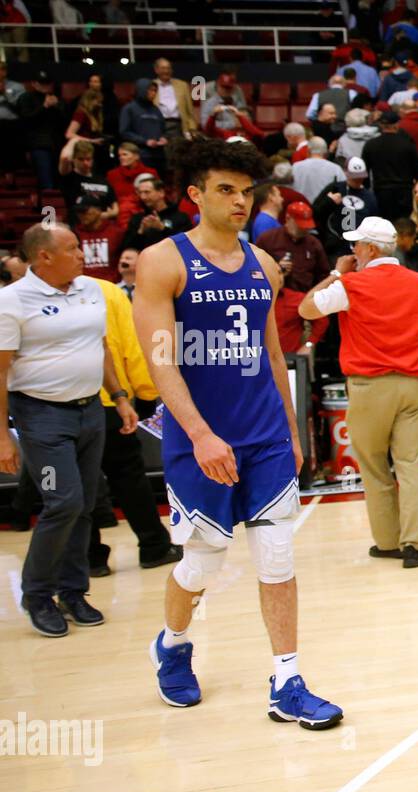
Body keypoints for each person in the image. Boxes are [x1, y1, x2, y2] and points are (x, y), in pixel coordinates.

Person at [131, 137, 342, 728]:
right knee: (203, 560)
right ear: (196, 194)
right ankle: (172, 644)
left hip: (265, 437)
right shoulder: (162, 261)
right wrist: (198, 433)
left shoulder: (265, 264)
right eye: (226, 190)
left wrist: (293, 429)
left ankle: (287, 680)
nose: (240, 201)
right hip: (198, 439)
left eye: (247, 191)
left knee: (277, 556)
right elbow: (161, 360)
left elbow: (273, 353)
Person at [0, 223, 137, 637]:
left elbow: (100, 346)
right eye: (73, 248)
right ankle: (37, 595)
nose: (82, 254)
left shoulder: (91, 290)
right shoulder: (11, 301)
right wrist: (2, 435)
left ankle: (73, 591)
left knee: (87, 502)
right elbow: (0, 370)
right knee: (63, 501)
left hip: (90, 410)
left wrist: (121, 395)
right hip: (41, 416)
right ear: (44, 256)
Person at [299, 215, 418, 567]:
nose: (352, 251)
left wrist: (338, 272)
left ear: (369, 249)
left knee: (374, 466)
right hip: (415, 383)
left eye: (356, 245)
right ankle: (415, 545)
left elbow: (306, 307)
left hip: (369, 387)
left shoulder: (351, 285)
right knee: (412, 466)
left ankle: (387, 542)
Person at [86, 276, 182, 576]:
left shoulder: (20, 295)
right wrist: (144, 393)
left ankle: (90, 557)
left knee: (79, 485)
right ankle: (153, 545)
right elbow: (132, 345)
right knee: (128, 476)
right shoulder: (106, 290)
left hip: (70, 404)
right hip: (109, 403)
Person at [255, 201, 330, 354]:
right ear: (288, 219)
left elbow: (323, 275)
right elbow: (254, 268)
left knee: (303, 356)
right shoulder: (268, 239)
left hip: (303, 306)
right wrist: (277, 267)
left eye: (307, 226)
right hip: (274, 303)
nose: (304, 229)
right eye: (300, 225)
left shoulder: (313, 244)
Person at [313, 156, 381, 258]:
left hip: (359, 247)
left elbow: (374, 222)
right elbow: (315, 213)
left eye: (360, 176)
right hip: (335, 246)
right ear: (346, 173)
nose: (358, 180)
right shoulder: (335, 188)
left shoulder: (369, 196)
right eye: (354, 177)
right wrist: (329, 202)